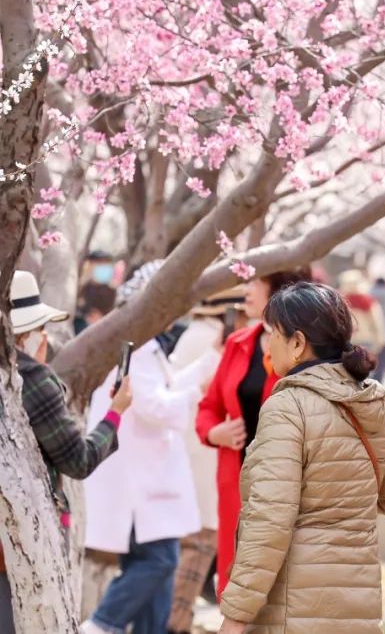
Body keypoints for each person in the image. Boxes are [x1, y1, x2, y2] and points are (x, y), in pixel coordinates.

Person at [217, 282, 385, 634]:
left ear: (297, 343)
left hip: (292, 604)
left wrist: (236, 615)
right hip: (358, 600)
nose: (269, 346)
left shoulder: (288, 406)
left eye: (273, 335)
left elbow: (269, 519)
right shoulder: (379, 403)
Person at [1, 271, 131, 634]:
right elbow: (79, 459)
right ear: (28, 334)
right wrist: (116, 413)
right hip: (21, 535)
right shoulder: (32, 379)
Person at [81, 262, 202, 634]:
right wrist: (197, 390)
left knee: (157, 575)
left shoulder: (143, 346)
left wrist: (206, 366)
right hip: (139, 483)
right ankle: (102, 623)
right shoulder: (136, 347)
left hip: (146, 478)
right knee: (160, 560)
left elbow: (162, 392)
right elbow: (154, 407)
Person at [195, 267, 311, 597]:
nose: (245, 289)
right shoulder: (238, 343)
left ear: (279, 289)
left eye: (254, 282)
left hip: (288, 489)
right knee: (234, 587)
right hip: (236, 485)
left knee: (281, 594)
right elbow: (209, 406)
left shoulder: (308, 351)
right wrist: (213, 432)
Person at [166, 288, 245, 634]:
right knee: (196, 552)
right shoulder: (216, 342)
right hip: (204, 455)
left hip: (184, 454)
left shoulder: (190, 336)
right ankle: (174, 624)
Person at [338, 269, 385, 352]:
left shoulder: (339, 302)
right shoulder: (368, 301)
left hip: (348, 341)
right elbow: (376, 322)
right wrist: (380, 340)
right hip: (366, 340)